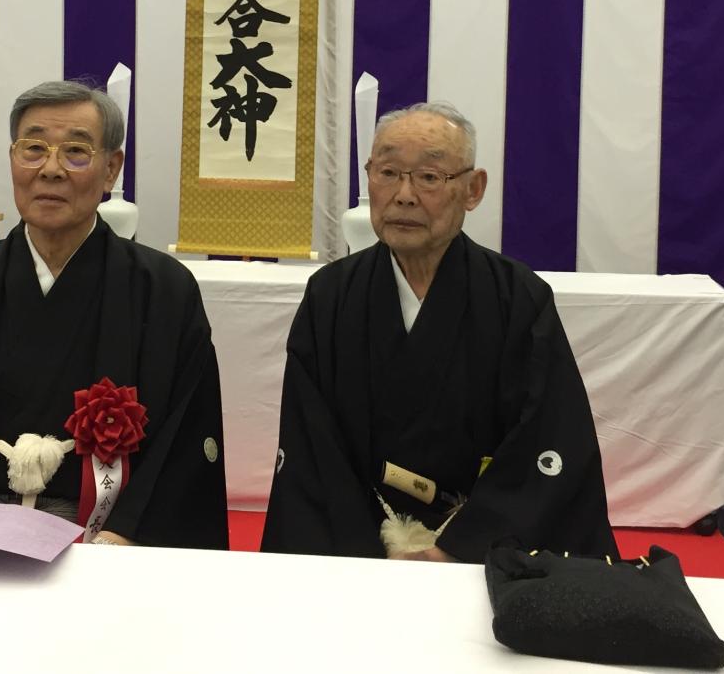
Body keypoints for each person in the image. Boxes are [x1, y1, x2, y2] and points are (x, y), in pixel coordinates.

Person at [0, 80, 229, 550]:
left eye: (76, 151)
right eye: (33, 148)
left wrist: (121, 538)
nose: (51, 170)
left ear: (111, 169)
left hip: (110, 535)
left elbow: (184, 444)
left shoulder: (163, 292)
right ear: (12, 159)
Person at [260, 102, 618, 563]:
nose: (404, 195)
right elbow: (312, 444)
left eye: (429, 177)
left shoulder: (517, 298)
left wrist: (459, 547)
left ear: (473, 189)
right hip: (357, 551)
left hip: (480, 548)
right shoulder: (331, 294)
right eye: (388, 171)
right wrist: (367, 552)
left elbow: (547, 441)